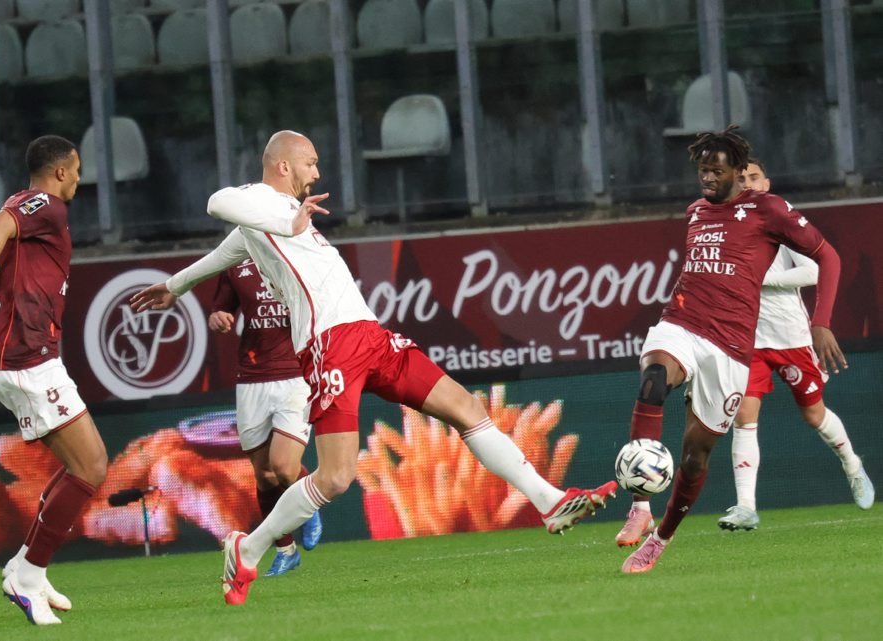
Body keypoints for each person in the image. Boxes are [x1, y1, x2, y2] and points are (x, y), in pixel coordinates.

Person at [130, 130, 618, 605]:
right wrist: (288, 223)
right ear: (283, 165)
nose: (316, 173)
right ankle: (250, 548)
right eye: (310, 163)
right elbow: (216, 201)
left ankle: (549, 501)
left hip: (371, 337)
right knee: (335, 478)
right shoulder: (265, 203)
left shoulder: (269, 220)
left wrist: (174, 285)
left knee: (466, 407)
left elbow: (226, 251)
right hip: (330, 346)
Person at [615, 126, 846, 573]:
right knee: (654, 378)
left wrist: (821, 322)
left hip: (732, 347)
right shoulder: (696, 212)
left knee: (695, 455)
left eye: (715, 171)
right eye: (702, 170)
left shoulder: (768, 210)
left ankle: (660, 540)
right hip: (682, 323)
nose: (706, 178)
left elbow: (828, 256)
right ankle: (640, 506)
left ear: (739, 173)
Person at [0, 135, 108, 624]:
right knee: (92, 466)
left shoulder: (24, 210)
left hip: (17, 357)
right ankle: (29, 574)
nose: (79, 179)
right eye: (76, 170)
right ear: (59, 172)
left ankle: (26, 565)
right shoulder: (46, 207)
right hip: (27, 361)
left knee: (78, 466)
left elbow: (0, 255)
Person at [717, 160, 874, 530]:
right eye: (741, 179)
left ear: (767, 183)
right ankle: (745, 506)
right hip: (748, 340)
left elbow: (813, 270)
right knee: (743, 418)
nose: (747, 183)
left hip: (791, 338)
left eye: (754, 177)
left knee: (814, 415)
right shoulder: (723, 225)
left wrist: (761, 281)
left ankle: (852, 464)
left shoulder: (779, 219)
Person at [167, 258, 323, 575]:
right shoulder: (236, 263)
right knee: (264, 475)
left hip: (295, 375)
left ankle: (310, 504)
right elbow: (221, 309)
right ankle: (286, 551)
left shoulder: (298, 256)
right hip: (252, 379)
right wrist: (218, 317)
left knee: (284, 467)